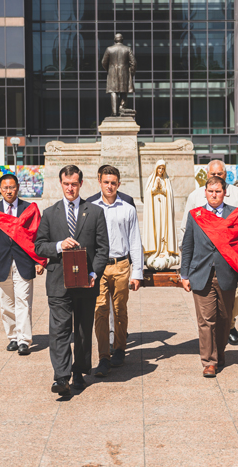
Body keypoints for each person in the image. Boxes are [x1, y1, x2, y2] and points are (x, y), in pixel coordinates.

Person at [180, 176, 238, 377]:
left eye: (218, 191)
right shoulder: (195, 215)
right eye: (210, 191)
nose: (214, 195)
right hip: (201, 274)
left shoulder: (235, 214)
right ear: (205, 192)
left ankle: (219, 353)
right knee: (206, 320)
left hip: (227, 275)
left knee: (225, 319)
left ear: (225, 192)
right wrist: (184, 274)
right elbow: (188, 246)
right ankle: (209, 361)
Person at [35, 165, 110, 396]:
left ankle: (79, 371)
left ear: (81, 184)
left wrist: (93, 274)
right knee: (59, 331)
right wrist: (58, 245)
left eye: (74, 184)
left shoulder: (95, 212)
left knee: (82, 330)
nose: (70, 188)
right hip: (58, 282)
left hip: (85, 283)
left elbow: (103, 249)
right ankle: (61, 377)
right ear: (61, 184)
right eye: (66, 184)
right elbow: (39, 245)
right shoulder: (49, 213)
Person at [180, 160, 238, 345]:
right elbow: (185, 231)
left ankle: (230, 324)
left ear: (225, 174)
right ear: (206, 175)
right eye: (212, 174)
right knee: (207, 313)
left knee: (231, 302)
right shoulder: (196, 196)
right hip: (204, 264)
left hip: (231, 263)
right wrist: (186, 267)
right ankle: (212, 347)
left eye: (219, 174)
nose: (215, 177)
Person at [0, 174, 46, 356]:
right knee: (6, 304)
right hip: (1, 263)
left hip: (24, 262)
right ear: (0, 189)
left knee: (23, 302)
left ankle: (24, 340)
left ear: (18, 187)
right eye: (5, 188)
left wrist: (39, 260)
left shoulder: (29, 209)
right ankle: (13, 337)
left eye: (12, 187)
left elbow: (37, 237)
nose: (8, 191)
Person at [90, 165, 144, 377]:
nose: (110, 186)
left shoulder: (128, 208)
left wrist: (137, 272)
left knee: (120, 310)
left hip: (121, 265)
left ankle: (119, 348)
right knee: (100, 311)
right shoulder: (91, 206)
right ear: (99, 182)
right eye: (106, 182)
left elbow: (134, 241)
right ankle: (104, 356)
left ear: (119, 184)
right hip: (99, 266)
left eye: (113, 183)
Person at [143, 160, 179, 270]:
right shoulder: (151, 179)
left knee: (164, 228)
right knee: (155, 228)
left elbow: (170, 195)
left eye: (163, 168)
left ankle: (164, 250)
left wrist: (162, 189)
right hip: (154, 209)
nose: (161, 170)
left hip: (164, 209)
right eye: (159, 168)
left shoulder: (167, 180)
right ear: (156, 168)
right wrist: (154, 189)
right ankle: (154, 251)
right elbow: (147, 193)